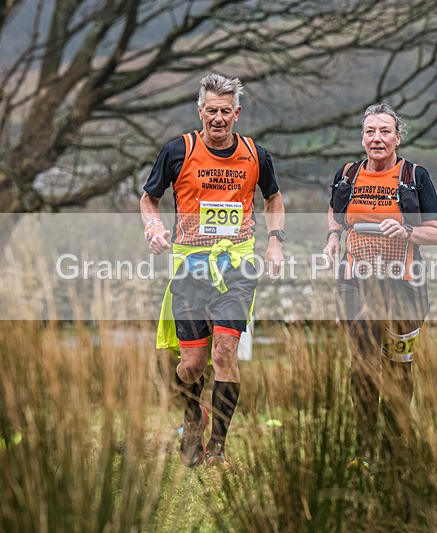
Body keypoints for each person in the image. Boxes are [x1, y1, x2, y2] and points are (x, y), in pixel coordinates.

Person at [141, 73, 285, 467]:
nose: (217, 118)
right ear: (200, 112)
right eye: (211, 111)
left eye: (225, 111)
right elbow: (149, 199)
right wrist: (153, 228)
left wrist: (275, 241)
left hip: (237, 265)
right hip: (190, 266)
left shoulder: (256, 155)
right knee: (191, 366)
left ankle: (218, 448)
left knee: (224, 351)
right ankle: (193, 418)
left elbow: (273, 198)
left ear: (237, 113)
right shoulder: (177, 151)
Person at [323, 103, 437, 465]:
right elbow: (335, 212)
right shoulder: (347, 174)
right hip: (355, 282)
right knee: (362, 364)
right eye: (370, 131)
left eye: (385, 131)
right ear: (362, 137)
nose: (377, 138)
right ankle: (364, 448)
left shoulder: (414, 176)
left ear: (397, 137)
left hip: (403, 285)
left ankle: (396, 445)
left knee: (398, 365)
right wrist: (333, 238)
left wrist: (407, 231)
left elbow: (436, 233)